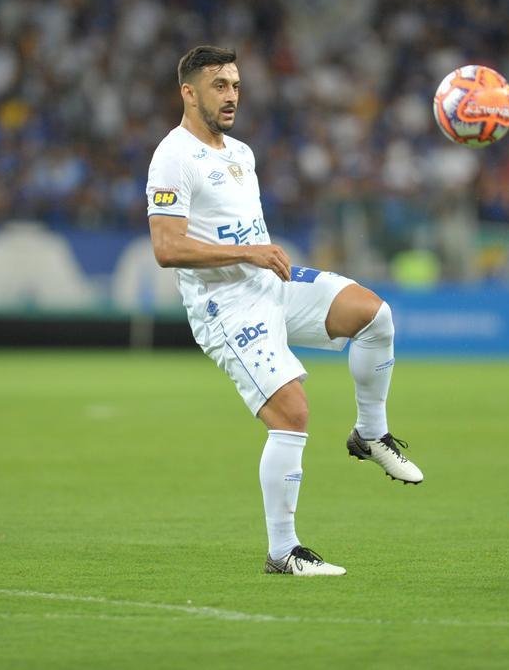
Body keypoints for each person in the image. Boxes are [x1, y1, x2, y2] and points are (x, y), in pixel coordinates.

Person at [146, 45, 423, 577]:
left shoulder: (241, 153)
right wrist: (249, 252)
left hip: (271, 284)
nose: (231, 96)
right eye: (219, 86)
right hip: (224, 305)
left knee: (374, 314)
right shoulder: (173, 156)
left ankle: (370, 434)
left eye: (235, 85)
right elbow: (167, 248)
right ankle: (283, 552)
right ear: (188, 92)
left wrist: (256, 255)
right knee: (293, 414)